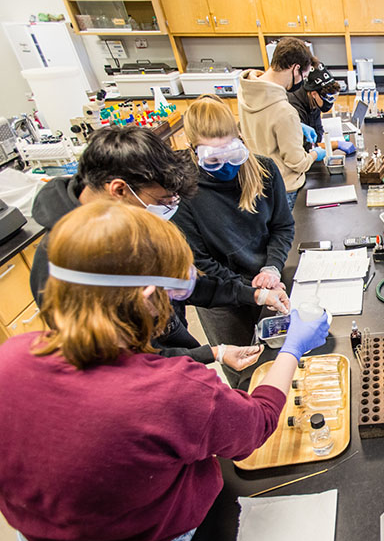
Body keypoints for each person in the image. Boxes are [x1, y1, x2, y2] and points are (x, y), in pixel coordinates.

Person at [0, 201, 329, 541]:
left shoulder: (12, 356)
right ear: (147, 297)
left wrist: (215, 353)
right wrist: (293, 347)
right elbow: (256, 424)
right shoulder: (171, 391)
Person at [28, 126, 285, 371]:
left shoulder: (124, 217)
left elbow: (180, 285)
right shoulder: (62, 265)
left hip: (174, 353)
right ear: (119, 189)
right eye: (162, 201)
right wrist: (210, 354)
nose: (166, 212)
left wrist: (253, 295)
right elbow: (126, 364)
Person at [174, 95, 297, 386]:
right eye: (213, 158)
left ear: (240, 138)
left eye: (231, 153)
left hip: (270, 281)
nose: (225, 165)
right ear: (193, 150)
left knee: (285, 362)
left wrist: (272, 269)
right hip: (220, 297)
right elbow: (200, 263)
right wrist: (248, 291)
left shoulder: (264, 171)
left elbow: (282, 226)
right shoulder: (182, 191)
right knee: (246, 374)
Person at [238, 37, 325, 210]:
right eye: (304, 76)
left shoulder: (246, 90)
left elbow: (261, 124)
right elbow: (298, 162)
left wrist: (295, 127)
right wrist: (316, 154)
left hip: (257, 183)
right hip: (284, 188)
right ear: (295, 68)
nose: (302, 82)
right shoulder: (284, 111)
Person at [287, 60, 356, 156]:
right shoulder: (294, 106)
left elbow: (318, 132)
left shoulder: (314, 101)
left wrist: (317, 144)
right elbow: (305, 148)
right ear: (314, 94)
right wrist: (335, 144)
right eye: (327, 97)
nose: (329, 102)